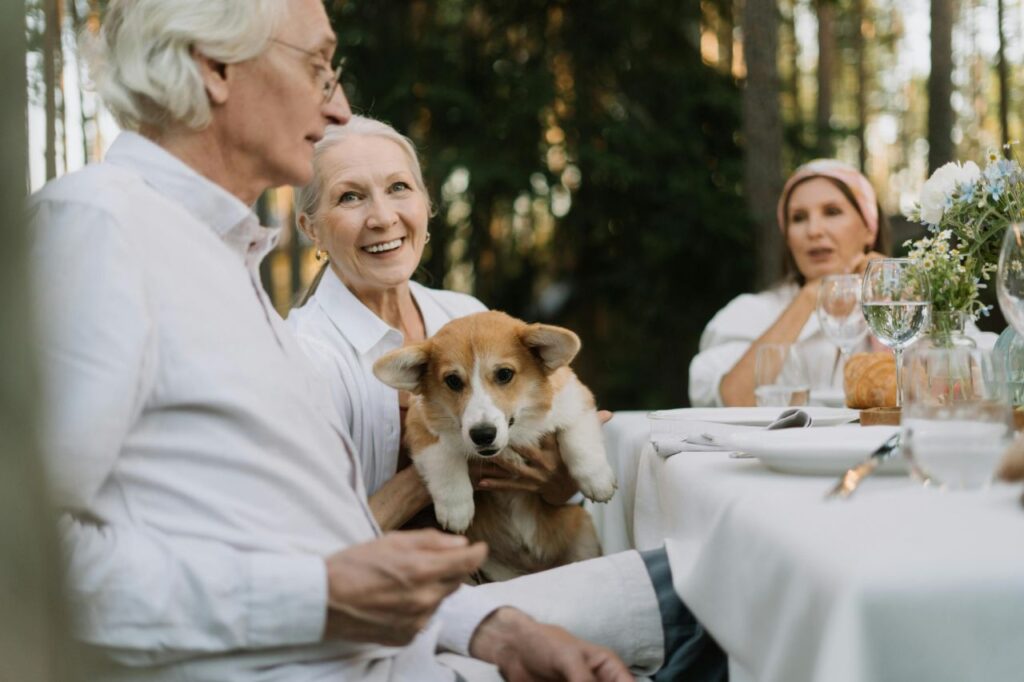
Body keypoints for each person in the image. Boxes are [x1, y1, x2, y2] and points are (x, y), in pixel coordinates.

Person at [28, 1, 725, 680]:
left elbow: (324, 542)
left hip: (419, 646)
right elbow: (27, 555)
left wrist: (492, 628)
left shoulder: (221, 265)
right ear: (214, 67)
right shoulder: (98, 229)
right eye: (321, 67)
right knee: (728, 585)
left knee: (734, 568)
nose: (335, 108)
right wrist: (319, 594)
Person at [287, 117, 579, 531]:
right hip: (394, 589)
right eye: (351, 197)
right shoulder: (302, 355)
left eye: (398, 188)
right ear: (310, 228)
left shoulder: (465, 314)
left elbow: (560, 492)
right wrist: (433, 474)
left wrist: (557, 480)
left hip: (503, 568)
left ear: (426, 204)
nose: (383, 217)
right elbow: (308, 546)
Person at [689, 159, 890, 407]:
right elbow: (734, 399)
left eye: (832, 212)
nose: (814, 231)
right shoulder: (751, 312)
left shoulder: (904, 310)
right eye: (798, 218)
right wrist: (809, 297)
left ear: (869, 228)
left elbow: (937, 398)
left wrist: (895, 292)